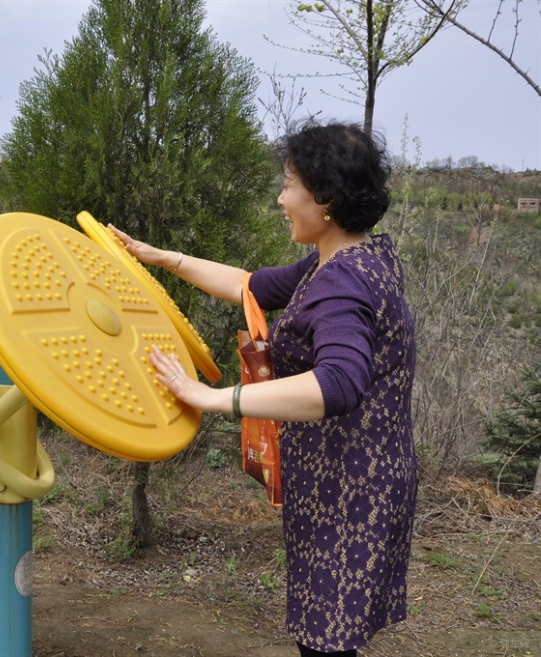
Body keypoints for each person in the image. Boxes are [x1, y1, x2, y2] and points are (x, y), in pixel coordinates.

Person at [110, 120, 417, 657]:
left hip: (349, 494)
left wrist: (215, 397)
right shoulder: (351, 258)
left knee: (325, 642)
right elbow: (249, 285)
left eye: (288, 184)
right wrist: (161, 258)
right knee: (330, 637)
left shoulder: (341, 281)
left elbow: (338, 384)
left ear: (324, 198)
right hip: (361, 476)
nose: (280, 198)